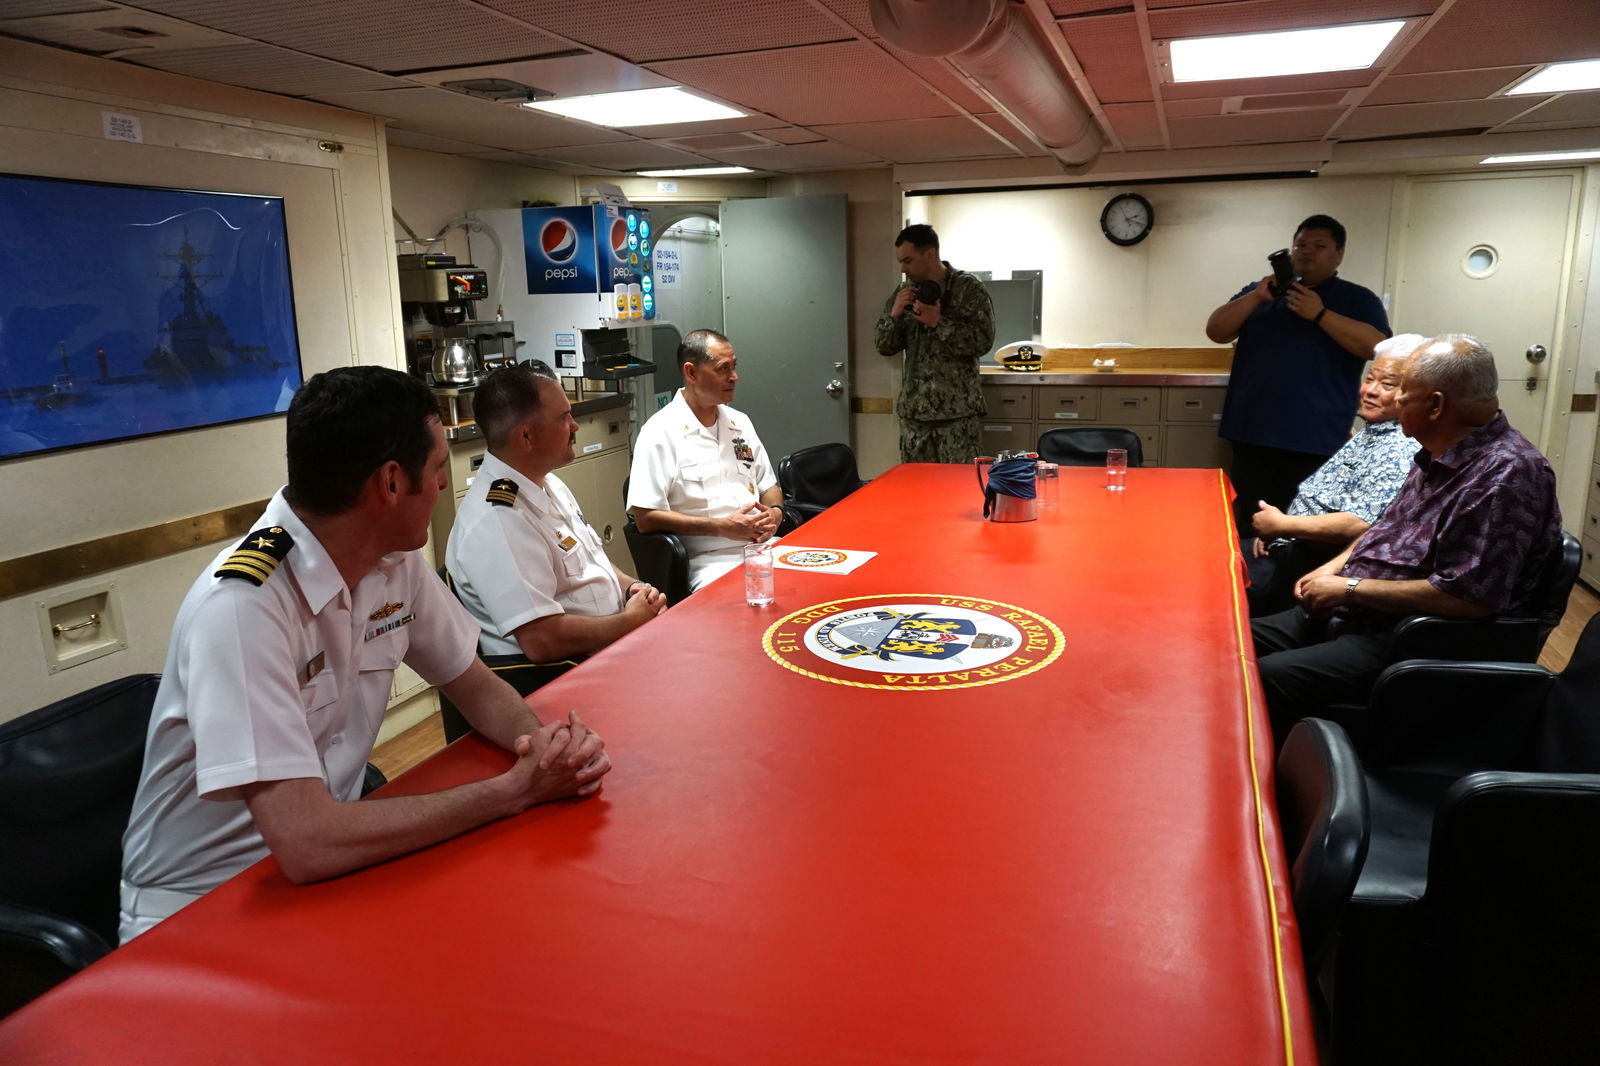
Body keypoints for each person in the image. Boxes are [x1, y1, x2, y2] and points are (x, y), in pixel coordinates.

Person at [119, 366, 611, 942]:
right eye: (436, 470)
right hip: (204, 910)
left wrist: (541, 746)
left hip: (333, 864)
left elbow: (475, 686)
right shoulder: (242, 607)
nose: (446, 488)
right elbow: (306, 840)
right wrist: (512, 791)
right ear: (392, 483)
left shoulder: (391, 562)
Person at [1252, 335, 1563, 738]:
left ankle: (1276, 793)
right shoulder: (1437, 450)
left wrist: (1348, 588)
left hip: (1406, 636)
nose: (1395, 401)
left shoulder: (1507, 475)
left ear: (1435, 405)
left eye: (1404, 393)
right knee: (1228, 639)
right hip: (1352, 611)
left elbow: (1466, 598)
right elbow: (1383, 528)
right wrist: (1332, 568)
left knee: (1264, 677)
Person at [447, 362, 666, 670]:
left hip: (612, 647)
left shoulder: (547, 483)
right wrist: (630, 621)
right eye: (564, 418)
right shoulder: (498, 519)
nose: (575, 426)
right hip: (569, 673)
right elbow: (542, 640)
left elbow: (590, 561)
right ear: (526, 437)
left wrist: (632, 588)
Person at [1206, 214, 1391, 533]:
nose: (1306, 251)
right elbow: (1216, 331)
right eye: (1300, 244)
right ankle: (1250, 580)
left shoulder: (1357, 298)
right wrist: (1255, 297)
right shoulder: (1261, 292)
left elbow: (1378, 347)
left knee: (1304, 527)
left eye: (1319, 246)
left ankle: (1296, 583)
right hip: (1252, 433)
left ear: (1339, 254)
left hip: (1315, 438)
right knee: (1250, 524)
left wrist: (1319, 314)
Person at [1246, 333, 1425, 616]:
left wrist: (1283, 526)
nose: (1371, 391)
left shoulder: (1402, 446)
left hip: (1309, 561)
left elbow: (1360, 524)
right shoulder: (1375, 429)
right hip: (1286, 543)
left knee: (1209, 584)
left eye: (1387, 384)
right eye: (1369, 379)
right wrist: (1280, 527)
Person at [627, 329, 783, 591]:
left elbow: (770, 487)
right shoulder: (659, 432)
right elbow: (645, 517)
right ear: (691, 373)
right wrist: (722, 528)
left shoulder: (739, 422)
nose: (734, 377)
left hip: (762, 547)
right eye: (723, 369)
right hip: (710, 562)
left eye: (734, 367)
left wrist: (775, 515)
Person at [874, 223, 995, 464]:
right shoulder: (904, 291)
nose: (903, 268)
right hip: (915, 417)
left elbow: (983, 341)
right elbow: (884, 346)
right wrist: (895, 315)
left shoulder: (968, 288)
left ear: (930, 254)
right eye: (900, 261)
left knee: (959, 489)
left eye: (908, 260)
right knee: (916, 490)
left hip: (957, 416)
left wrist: (939, 323)